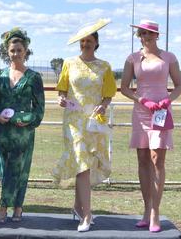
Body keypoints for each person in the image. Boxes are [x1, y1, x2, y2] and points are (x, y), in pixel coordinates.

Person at [52, 20, 116, 232]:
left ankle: (78, 207)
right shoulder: (69, 63)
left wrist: (103, 106)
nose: (85, 44)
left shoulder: (104, 66)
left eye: (89, 41)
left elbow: (108, 95)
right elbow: (62, 89)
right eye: (82, 41)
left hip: (93, 123)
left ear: (96, 43)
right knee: (82, 164)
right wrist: (61, 99)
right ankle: (86, 215)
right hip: (73, 122)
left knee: (86, 166)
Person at [120, 20, 181, 233]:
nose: (145, 37)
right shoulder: (133, 58)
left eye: (149, 34)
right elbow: (124, 88)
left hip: (161, 112)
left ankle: (156, 211)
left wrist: (167, 100)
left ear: (157, 35)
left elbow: (179, 86)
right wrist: (141, 100)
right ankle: (146, 210)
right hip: (141, 113)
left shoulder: (169, 57)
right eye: (142, 34)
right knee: (143, 159)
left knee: (158, 160)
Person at [0, 28, 45, 223]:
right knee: (6, 169)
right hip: (3, 131)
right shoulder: (0, 76)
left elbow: (39, 111)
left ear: (25, 51)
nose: (16, 54)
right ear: (7, 52)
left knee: (20, 169)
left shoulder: (34, 78)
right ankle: (13, 205)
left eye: (19, 50)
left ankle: (9, 206)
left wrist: (25, 119)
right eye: (12, 50)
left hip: (23, 132)